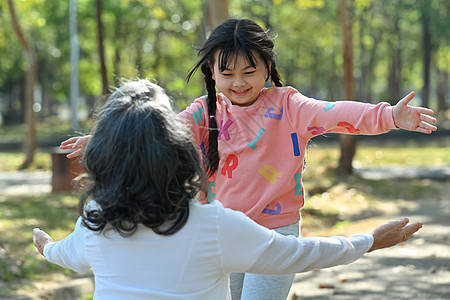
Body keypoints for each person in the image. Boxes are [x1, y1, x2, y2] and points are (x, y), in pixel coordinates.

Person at [60, 19, 437, 300]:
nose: (239, 82)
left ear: (267, 68)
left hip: (277, 229)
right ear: (211, 71)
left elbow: (335, 112)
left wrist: (389, 116)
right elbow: (155, 131)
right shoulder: (201, 113)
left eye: (249, 71)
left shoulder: (290, 105)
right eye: (227, 73)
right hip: (221, 235)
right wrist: (105, 139)